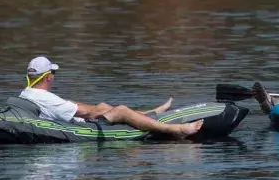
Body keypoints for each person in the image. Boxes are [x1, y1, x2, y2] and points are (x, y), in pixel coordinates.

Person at [18, 56, 203, 139]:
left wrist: (101, 107)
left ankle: (150, 112)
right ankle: (175, 129)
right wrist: (101, 109)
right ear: (49, 76)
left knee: (101, 106)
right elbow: (86, 112)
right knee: (120, 110)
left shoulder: (26, 93)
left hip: (65, 120)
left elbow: (69, 106)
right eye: (53, 74)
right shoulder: (47, 98)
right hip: (81, 128)